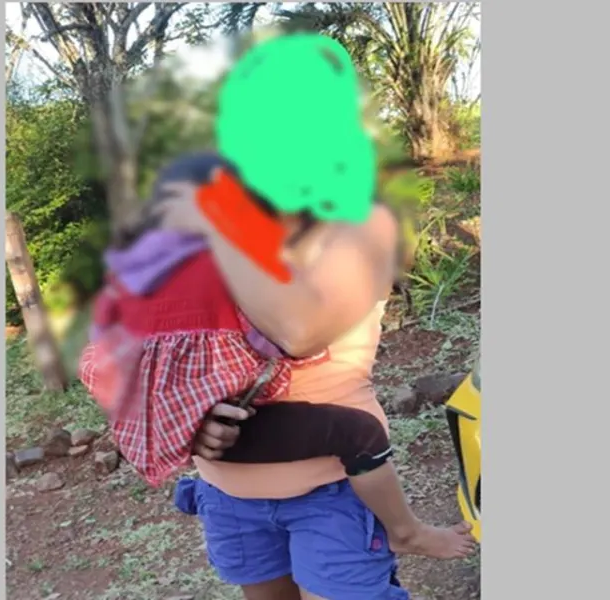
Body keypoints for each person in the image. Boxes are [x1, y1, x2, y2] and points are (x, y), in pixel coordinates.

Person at [92, 33, 473, 600]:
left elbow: (298, 331)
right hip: (229, 493)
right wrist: (193, 421)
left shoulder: (366, 221)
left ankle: (405, 531)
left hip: (332, 491)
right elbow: (148, 345)